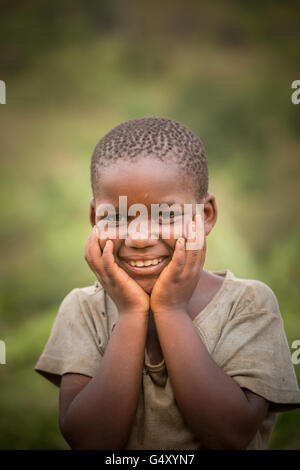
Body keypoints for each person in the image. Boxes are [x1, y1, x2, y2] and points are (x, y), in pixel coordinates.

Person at [34, 117, 300, 450]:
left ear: (205, 216)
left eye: (166, 215)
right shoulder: (83, 309)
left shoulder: (247, 303)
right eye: (117, 216)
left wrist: (170, 310)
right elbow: (90, 442)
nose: (140, 238)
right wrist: (131, 313)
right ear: (94, 219)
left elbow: (231, 437)